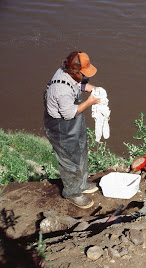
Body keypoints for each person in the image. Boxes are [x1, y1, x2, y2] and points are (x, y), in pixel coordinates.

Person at [43, 51, 101, 209]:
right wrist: (90, 102)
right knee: (70, 161)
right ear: (75, 71)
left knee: (81, 151)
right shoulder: (61, 89)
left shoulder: (70, 73)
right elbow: (69, 113)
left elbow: (77, 84)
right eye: (83, 72)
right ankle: (72, 193)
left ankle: (81, 184)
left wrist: (88, 87)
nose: (85, 75)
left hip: (74, 122)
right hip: (61, 126)